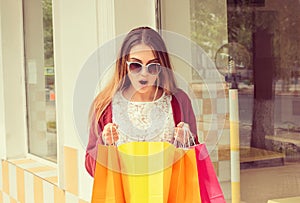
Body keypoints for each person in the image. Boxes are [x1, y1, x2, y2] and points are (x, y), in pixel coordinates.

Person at [85, 26, 199, 177]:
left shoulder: (179, 100)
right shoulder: (105, 104)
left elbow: (195, 163)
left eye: (152, 66)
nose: (144, 74)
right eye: (135, 65)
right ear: (124, 65)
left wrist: (187, 143)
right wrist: (104, 142)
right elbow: (90, 167)